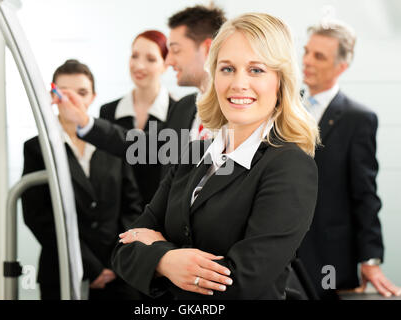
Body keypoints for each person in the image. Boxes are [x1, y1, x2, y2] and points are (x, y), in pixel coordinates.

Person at [111, 12, 320, 300]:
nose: (238, 83)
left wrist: (161, 257)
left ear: (280, 81)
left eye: (256, 70)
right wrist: (167, 262)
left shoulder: (289, 166)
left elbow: (240, 284)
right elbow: (124, 249)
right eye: (227, 69)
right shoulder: (195, 154)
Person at [56, 5, 226, 203]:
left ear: (206, 48)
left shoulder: (236, 111)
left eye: (175, 50)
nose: (169, 60)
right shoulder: (186, 108)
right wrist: (84, 121)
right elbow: (141, 147)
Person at [297, 20, 401, 299]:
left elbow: (365, 195)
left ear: (341, 67)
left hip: (329, 257)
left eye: (318, 56)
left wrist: (370, 259)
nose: (306, 61)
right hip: (282, 253)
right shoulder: (284, 108)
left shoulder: (358, 119)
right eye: (306, 51)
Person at [21, 59, 143, 300]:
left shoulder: (112, 143)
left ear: (93, 96)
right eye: (65, 93)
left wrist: (117, 260)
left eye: (82, 92)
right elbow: (38, 217)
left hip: (118, 272)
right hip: (62, 270)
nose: (73, 100)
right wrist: (90, 267)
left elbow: (132, 207)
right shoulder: (37, 148)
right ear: (53, 95)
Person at [98, 30, 176, 205]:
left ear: (165, 64)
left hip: (161, 218)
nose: (139, 65)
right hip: (118, 219)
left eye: (150, 59)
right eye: (134, 56)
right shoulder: (108, 112)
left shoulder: (177, 112)